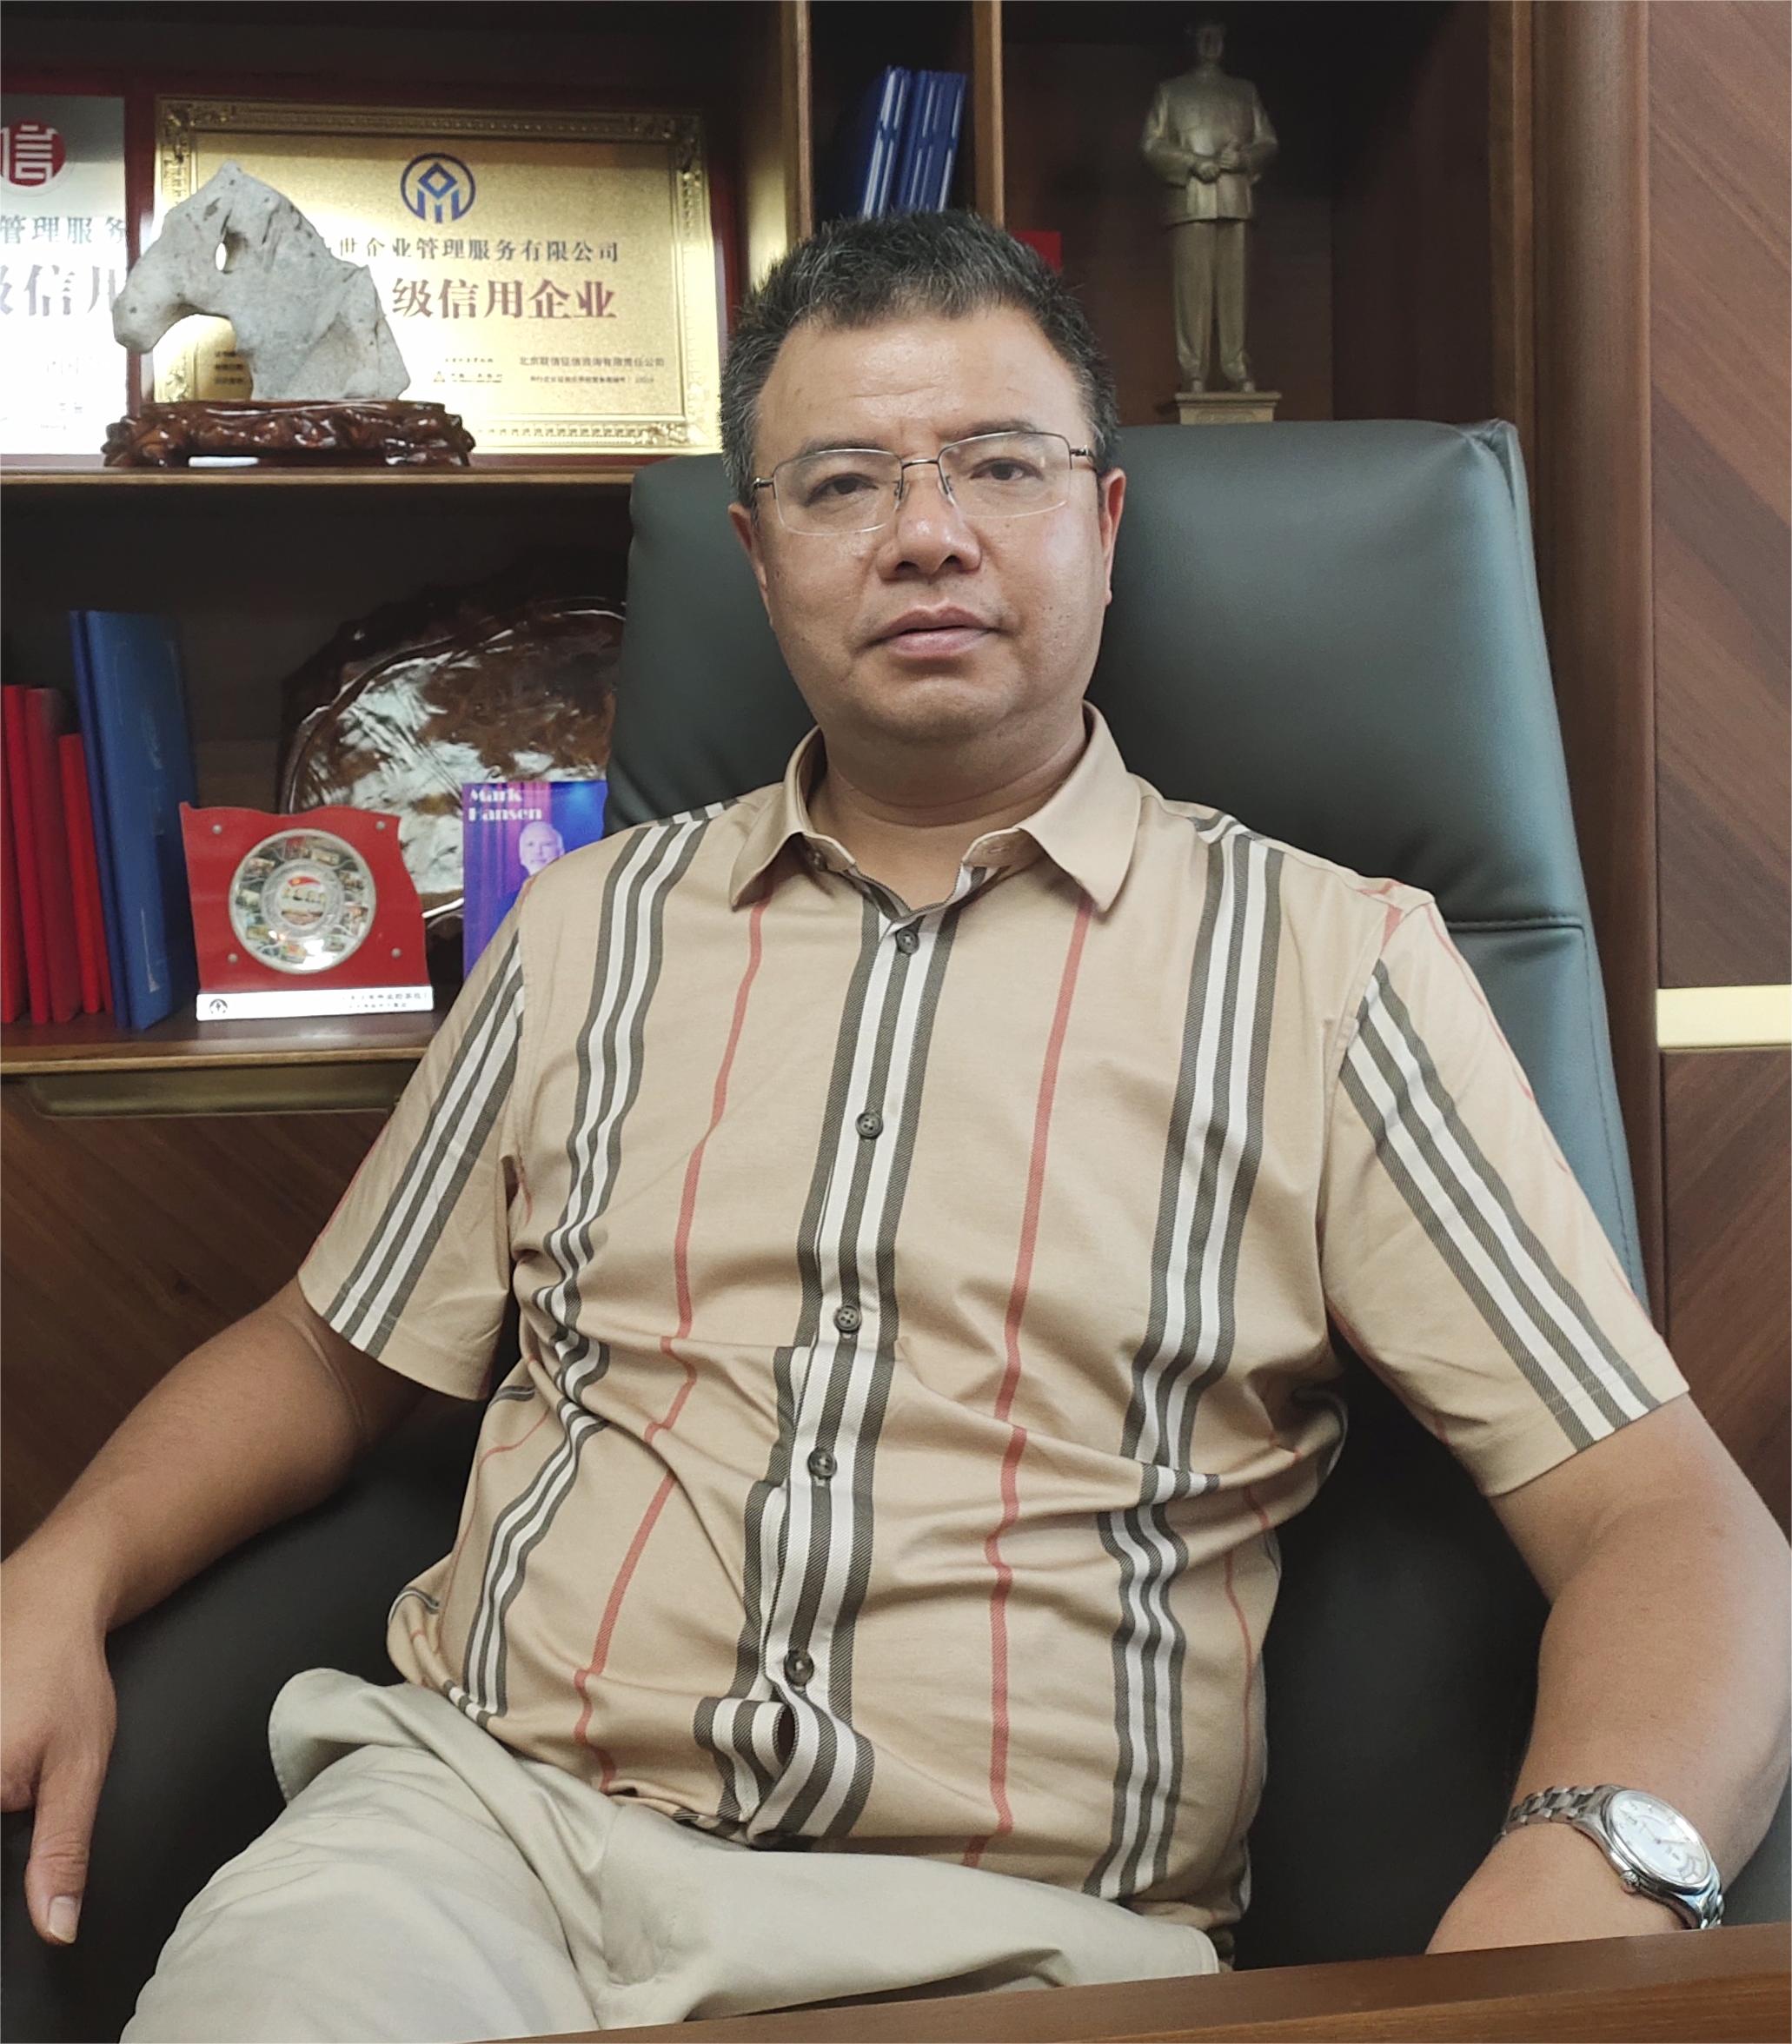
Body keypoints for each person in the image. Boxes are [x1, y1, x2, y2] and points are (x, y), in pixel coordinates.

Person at [3, 210, 1786, 2041]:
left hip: (1008, 1937)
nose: (926, 533)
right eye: (845, 483)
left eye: (1000, 466)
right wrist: (60, 1571)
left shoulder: (1333, 969)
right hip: (477, 1852)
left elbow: (1661, 1514)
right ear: (757, 557)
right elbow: (324, 1354)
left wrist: (1571, 1897)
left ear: (1101, 525)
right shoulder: (586, 931)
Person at [1140, 19, 1278, 393]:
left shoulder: (1244, 92)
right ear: (1191, 42)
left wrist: (1245, 158)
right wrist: (1191, 162)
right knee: (1193, 293)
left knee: (1235, 292)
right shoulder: (1172, 92)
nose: (1210, 43)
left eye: (1216, 36)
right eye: (1203, 36)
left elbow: (1267, 141)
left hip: (1235, 199)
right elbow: (1151, 144)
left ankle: (1236, 365)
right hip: (1192, 201)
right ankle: (1193, 370)